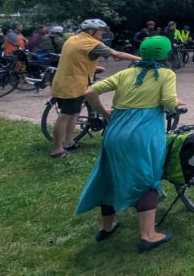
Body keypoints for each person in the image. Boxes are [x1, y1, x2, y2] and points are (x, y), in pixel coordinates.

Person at [76, 35, 179, 253]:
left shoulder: (125, 73)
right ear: (165, 55)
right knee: (146, 179)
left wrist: (103, 112)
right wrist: (175, 102)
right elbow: (169, 104)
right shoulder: (166, 74)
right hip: (144, 134)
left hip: (115, 132)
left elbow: (89, 91)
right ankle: (149, 236)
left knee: (109, 176)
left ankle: (107, 226)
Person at [50, 19, 140, 158]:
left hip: (62, 81)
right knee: (65, 116)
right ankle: (57, 149)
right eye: (101, 30)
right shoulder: (92, 43)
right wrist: (140, 59)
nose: (104, 33)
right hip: (73, 85)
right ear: (91, 31)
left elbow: (73, 57)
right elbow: (117, 55)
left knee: (74, 113)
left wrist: (92, 67)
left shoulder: (73, 38)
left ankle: (69, 142)